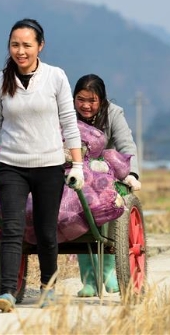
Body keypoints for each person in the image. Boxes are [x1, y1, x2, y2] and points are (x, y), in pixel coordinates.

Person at [0, 18, 84, 313]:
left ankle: (48, 286)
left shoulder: (55, 77)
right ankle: (8, 291)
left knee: (47, 231)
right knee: (12, 229)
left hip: (49, 165)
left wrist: (78, 165)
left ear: (40, 46)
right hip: (12, 165)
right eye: (14, 45)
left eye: (26, 45)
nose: (20, 51)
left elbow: (69, 123)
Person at [72, 74, 141, 297]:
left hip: (106, 173)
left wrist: (130, 173)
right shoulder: (66, 113)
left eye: (92, 101)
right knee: (77, 213)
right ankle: (89, 280)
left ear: (101, 100)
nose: (85, 105)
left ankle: (110, 272)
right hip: (75, 173)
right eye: (81, 99)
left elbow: (126, 144)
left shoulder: (113, 113)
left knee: (110, 211)